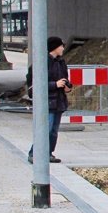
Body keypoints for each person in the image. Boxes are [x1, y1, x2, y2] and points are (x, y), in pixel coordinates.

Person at [27, 36, 71, 164]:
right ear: (55, 47)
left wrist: (67, 87)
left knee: (53, 131)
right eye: (61, 46)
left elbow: (64, 78)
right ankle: (34, 154)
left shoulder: (61, 62)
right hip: (48, 102)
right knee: (45, 130)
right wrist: (55, 85)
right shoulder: (42, 62)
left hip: (59, 101)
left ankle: (48, 153)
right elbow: (38, 83)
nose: (63, 48)